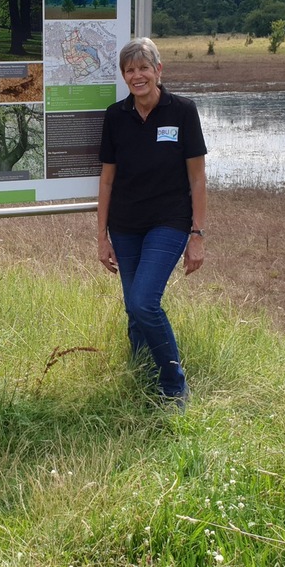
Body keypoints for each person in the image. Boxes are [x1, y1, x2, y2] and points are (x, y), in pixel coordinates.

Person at [97, 36, 207, 409]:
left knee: (144, 302)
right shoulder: (116, 116)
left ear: (159, 70)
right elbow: (107, 180)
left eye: (144, 67)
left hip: (169, 222)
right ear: (124, 76)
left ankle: (175, 386)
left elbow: (198, 179)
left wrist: (198, 234)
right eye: (130, 70)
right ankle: (141, 376)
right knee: (132, 308)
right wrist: (101, 237)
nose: (137, 75)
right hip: (125, 226)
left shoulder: (182, 111)